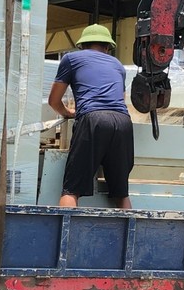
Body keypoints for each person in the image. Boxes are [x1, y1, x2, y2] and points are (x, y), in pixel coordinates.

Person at [48, 25, 133, 209]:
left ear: (82, 45)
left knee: (71, 189)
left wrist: (68, 113)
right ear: (107, 47)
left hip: (93, 119)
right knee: (121, 193)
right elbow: (120, 98)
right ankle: (129, 236)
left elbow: (54, 100)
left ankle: (65, 236)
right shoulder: (118, 65)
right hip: (123, 122)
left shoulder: (71, 59)